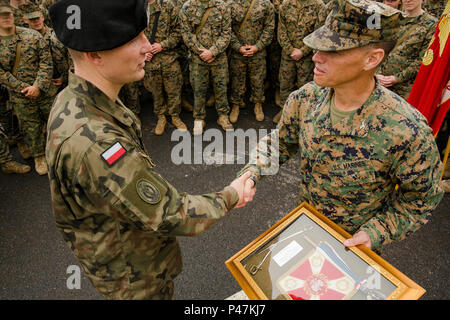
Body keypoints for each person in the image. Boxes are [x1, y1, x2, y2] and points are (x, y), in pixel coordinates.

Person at [46, 0, 255, 300]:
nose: (147, 47)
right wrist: (232, 194)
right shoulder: (96, 142)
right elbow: (171, 213)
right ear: (95, 55)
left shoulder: (75, 101)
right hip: (134, 280)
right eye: (134, 40)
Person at [238, 0, 444, 252]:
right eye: (318, 47)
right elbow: (280, 143)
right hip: (308, 227)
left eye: (333, 51)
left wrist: (376, 232)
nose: (316, 57)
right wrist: (252, 172)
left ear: (372, 59)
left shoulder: (406, 129)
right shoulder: (305, 99)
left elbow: (422, 197)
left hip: (355, 249)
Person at [0, 0, 53, 175]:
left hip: (44, 90)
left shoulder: (32, 36)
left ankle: (60, 150)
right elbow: (2, 74)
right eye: (2, 15)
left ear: (13, 16)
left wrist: (38, 85)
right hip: (20, 95)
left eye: (8, 14)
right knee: (32, 127)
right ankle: (39, 156)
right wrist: (24, 88)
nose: (6, 18)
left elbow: (46, 61)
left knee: (54, 121)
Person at [179, 0, 233, 135]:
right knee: (198, 89)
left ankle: (223, 116)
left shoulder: (222, 6)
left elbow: (226, 33)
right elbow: (187, 34)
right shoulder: (187, 7)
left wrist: (213, 51)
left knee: (221, 88)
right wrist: (202, 52)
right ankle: (199, 118)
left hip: (218, 58)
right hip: (198, 58)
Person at [275, 0, 325, 124]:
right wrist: (290, 50)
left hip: (307, 56)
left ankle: (302, 114)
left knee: (305, 86)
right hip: (288, 54)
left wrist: (303, 51)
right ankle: (284, 111)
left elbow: (319, 33)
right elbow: (281, 31)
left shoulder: (319, 6)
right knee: (285, 83)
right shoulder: (286, 5)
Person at [377, 0, 438, 100]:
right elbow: (378, 47)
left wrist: (397, 78)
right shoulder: (392, 18)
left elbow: (423, 60)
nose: (408, 0)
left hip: (404, 89)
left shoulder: (431, 24)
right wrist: (376, 74)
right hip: (379, 82)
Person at [143, 0, 187, 135]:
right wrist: (142, 51)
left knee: (174, 89)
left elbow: (178, 31)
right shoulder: (138, 8)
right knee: (156, 92)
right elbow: (130, 35)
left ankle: (175, 116)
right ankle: (161, 117)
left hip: (169, 58)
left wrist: (162, 45)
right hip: (150, 61)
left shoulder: (167, 6)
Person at [228, 0, 275, 124]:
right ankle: (236, 105)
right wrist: (238, 47)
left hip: (258, 51)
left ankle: (258, 104)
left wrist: (257, 46)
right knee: (237, 79)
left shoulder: (265, 4)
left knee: (258, 80)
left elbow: (269, 29)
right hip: (238, 51)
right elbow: (227, 29)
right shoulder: (231, 4)